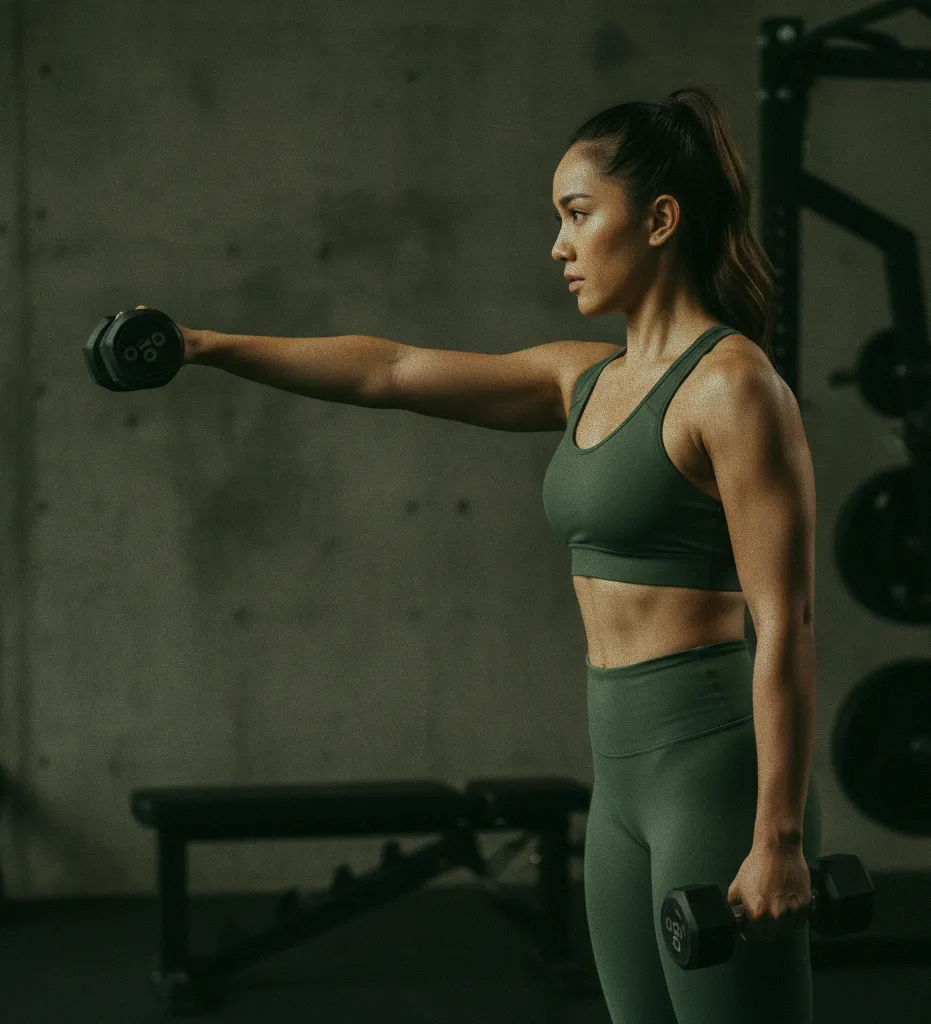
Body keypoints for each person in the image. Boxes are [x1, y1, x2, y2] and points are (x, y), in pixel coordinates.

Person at [128, 85, 821, 1023]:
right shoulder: (584, 378)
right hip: (619, 772)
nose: (559, 245)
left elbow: (786, 622)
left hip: (714, 773)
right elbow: (388, 371)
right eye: (558, 219)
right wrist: (201, 344)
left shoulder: (732, 388)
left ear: (660, 220)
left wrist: (778, 837)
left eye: (578, 214)